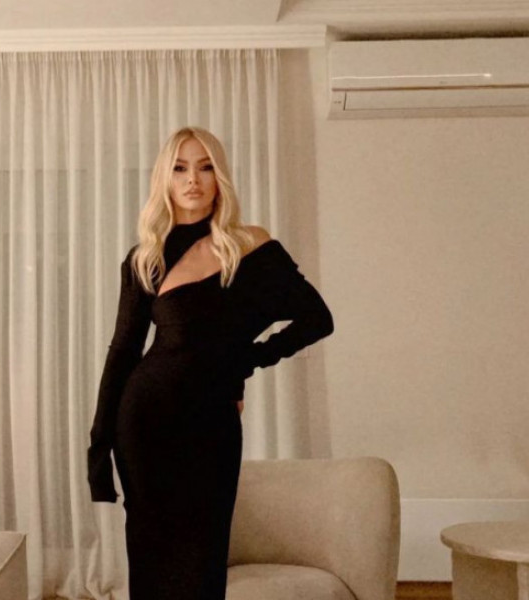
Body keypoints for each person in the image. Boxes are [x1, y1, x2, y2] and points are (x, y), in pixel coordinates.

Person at [87, 126, 333, 600]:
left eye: (205, 167)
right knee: (153, 559)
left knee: (203, 557)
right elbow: (122, 353)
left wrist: (246, 362)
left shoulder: (250, 246)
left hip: (212, 424)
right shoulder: (146, 259)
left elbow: (316, 319)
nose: (192, 180)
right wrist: (98, 450)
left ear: (219, 177)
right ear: (165, 178)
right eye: (180, 168)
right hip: (147, 422)